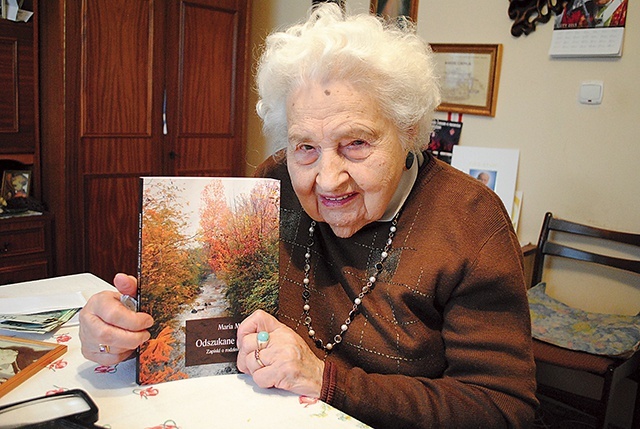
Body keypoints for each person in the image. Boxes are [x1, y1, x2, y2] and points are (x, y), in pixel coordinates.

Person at [79, 4, 538, 428]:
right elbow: (218, 314)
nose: (328, 178)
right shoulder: (275, 182)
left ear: (409, 132)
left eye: (356, 143)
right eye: (306, 147)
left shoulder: (470, 220)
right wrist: (131, 330)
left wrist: (326, 380)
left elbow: (502, 408)